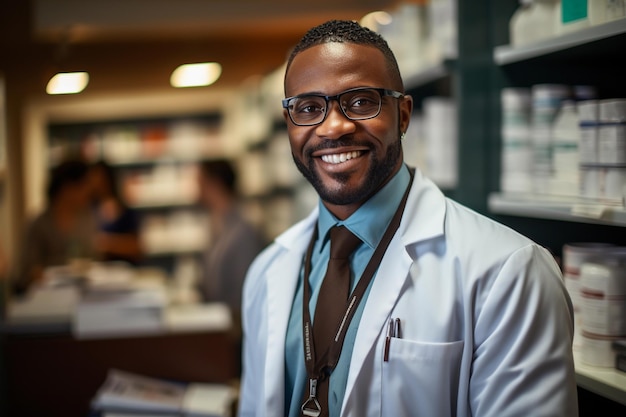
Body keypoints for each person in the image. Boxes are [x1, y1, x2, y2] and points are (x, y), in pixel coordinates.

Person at [238, 20, 578, 417]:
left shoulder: (508, 271)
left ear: (403, 114)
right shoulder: (266, 272)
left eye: (361, 101)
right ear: (289, 126)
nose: (333, 127)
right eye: (309, 108)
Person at [11, 158, 98, 294]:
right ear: (68, 187)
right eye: (84, 186)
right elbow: (26, 273)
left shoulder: (87, 219)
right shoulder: (39, 224)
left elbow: (93, 257)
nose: (88, 194)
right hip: (48, 297)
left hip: (84, 294)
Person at [196, 158, 266, 314]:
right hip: (218, 323)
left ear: (214, 184)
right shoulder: (219, 227)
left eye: (199, 181)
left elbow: (243, 296)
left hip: (233, 330)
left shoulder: (242, 233)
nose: (195, 189)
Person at [89, 159, 143, 265]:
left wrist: (107, 243)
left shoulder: (125, 211)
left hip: (124, 270)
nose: (97, 184)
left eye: (100, 179)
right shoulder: (86, 210)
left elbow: (137, 248)